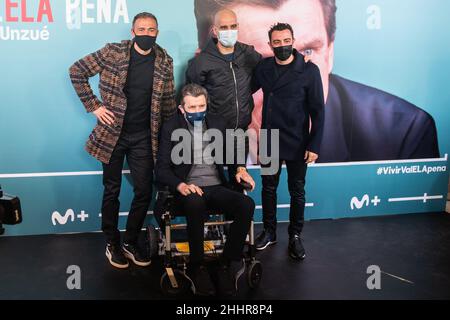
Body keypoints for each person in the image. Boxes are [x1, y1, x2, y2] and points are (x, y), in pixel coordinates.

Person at [193, 0, 440, 163]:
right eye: (262, 61)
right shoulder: (197, 137)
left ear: (330, 52)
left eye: (308, 51)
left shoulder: (402, 134)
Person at [69, 12, 176, 269]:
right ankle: (112, 242)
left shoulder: (164, 61)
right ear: (132, 31)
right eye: (142, 29)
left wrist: (169, 138)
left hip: (144, 137)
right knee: (112, 190)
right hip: (113, 134)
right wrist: (94, 106)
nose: (147, 34)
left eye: (151, 30)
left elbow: (169, 103)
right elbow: (77, 71)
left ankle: (130, 241)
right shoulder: (113, 52)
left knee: (143, 191)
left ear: (157, 33)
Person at [155, 83, 256, 296]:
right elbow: (161, 169)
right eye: (192, 107)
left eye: (201, 106)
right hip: (187, 189)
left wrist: (240, 168)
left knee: (246, 204)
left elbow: (234, 150)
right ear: (182, 108)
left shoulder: (218, 123)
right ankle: (196, 266)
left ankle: (226, 263)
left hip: (216, 186)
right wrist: (181, 186)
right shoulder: (171, 127)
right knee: (195, 202)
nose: (197, 111)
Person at [252, 23, 325, 260]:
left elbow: (318, 111)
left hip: (298, 140)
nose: (282, 45)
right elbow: (244, 91)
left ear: (293, 41)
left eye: (286, 41)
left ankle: (295, 236)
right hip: (271, 138)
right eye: (277, 42)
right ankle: (270, 231)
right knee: (269, 188)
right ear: (270, 44)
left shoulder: (308, 70)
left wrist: (314, 145)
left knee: (297, 190)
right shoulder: (263, 68)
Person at [186, 8, 262, 187]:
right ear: (214, 30)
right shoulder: (202, 61)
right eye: (224, 27)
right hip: (213, 133)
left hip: (240, 132)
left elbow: (264, 75)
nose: (229, 30)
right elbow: (193, 94)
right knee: (215, 183)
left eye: (233, 26)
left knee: (238, 180)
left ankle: (237, 214)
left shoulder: (249, 53)